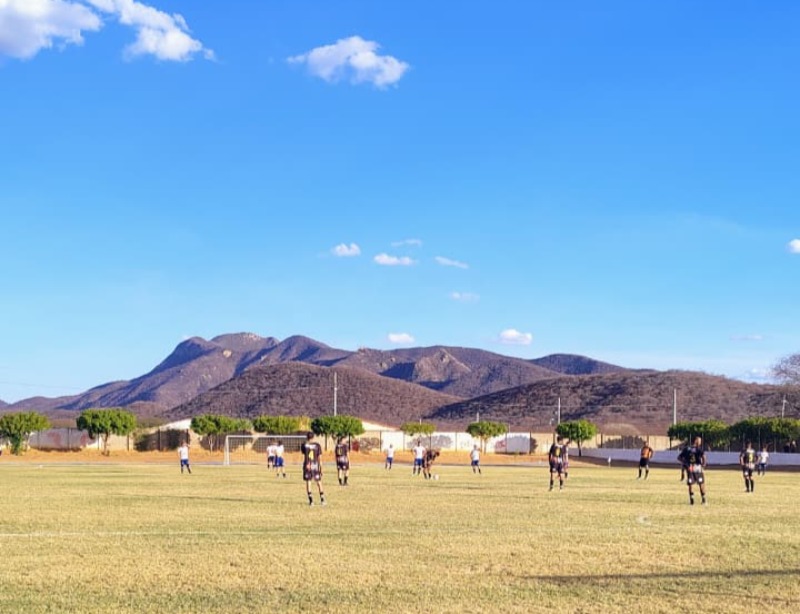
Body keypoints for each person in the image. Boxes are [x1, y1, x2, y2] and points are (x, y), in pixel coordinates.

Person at [677, 436, 707, 505]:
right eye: (699, 441)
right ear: (696, 441)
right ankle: (703, 500)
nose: (700, 442)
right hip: (697, 468)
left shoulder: (687, 448)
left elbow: (679, 457)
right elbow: (704, 456)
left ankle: (692, 500)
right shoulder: (698, 449)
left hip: (690, 468)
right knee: (701, 483)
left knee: (690, 484)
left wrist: (685, 463)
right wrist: (703, 464)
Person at [300, 431, 325, 506]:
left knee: (309, 482)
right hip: (315, 465)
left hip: (307, 465)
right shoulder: (317, 445)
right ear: (313, 437)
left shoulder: (304, 445)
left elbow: (304, 453)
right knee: (319, 482)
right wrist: (321, 468)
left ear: (307, 437)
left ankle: (311, 501)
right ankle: (322, 499)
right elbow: (320, 458)